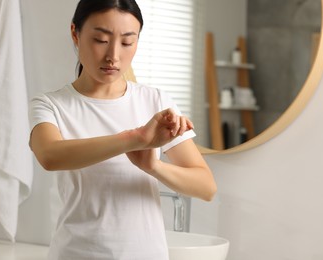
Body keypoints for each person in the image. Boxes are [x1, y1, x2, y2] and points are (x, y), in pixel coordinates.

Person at [29, 0, 217, 259]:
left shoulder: (156, 101)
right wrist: (134, 139)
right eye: (101, 40)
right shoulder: (51, 104)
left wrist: (153, 166)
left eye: (128, 42)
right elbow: (50, 156)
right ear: (75, 33)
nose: (113, 56)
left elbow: (206, 187)